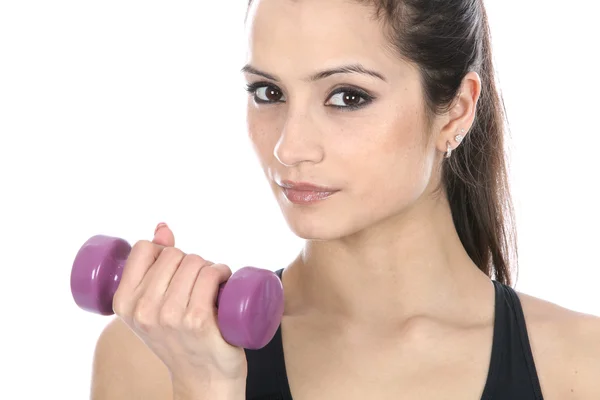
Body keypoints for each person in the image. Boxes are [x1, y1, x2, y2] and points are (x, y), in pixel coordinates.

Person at [91, 0, 600, 399]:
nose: (289, 147)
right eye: (268, 93)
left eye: (347, 96)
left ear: (456, 111)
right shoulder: (149, 359)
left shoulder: (582, 368)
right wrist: (206, 389)